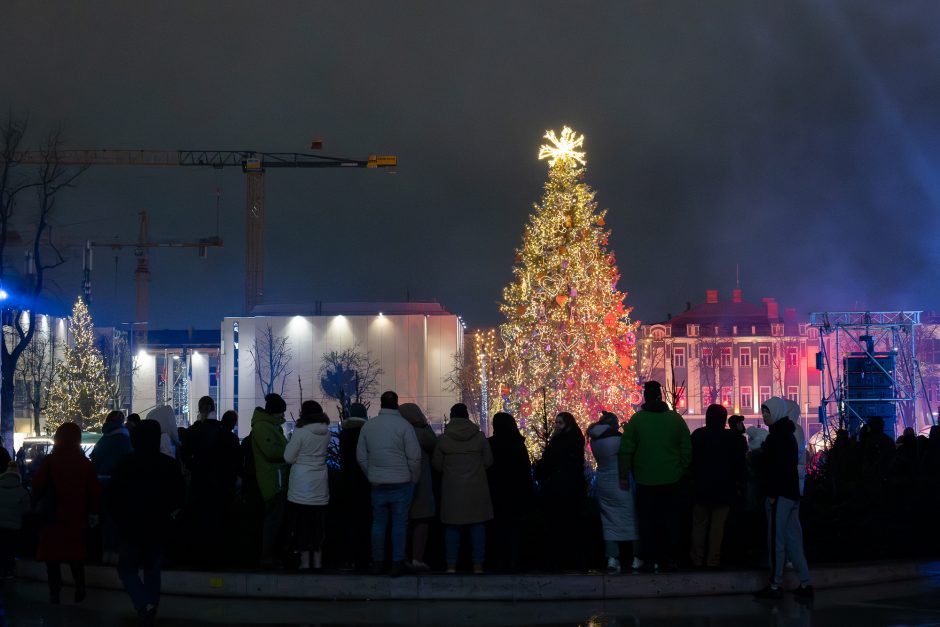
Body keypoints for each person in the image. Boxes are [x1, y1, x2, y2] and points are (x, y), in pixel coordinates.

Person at [109, 419, 185, 624]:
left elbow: (114, 496)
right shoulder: (168, 464)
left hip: (131, 526)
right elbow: (178, 495)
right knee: (152, 569)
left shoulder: (125, 464)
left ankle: (144, 604)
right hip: (159, 525)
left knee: (126, 568)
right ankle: (150, 605)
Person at [618, 380, 691, 572]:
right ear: (660, 396)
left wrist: (624, 474)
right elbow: (686, 448)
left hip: (645, 479)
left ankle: (648, 558)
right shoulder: (675, 419)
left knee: (647, 521)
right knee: (670, 520)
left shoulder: (637, 420)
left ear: (645, 397)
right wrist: (682, 469)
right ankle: (668, 557)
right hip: (672, 479)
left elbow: (626, 449)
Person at [32, 422, 101, 604]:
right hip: (77, 515)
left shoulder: (50, 461)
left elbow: (38, 485)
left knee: (52, 556)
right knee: (75, 554)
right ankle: (80, 585)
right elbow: (94, 491)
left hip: (53, 515)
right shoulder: (84, 463)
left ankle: (55, 591)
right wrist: (93, 512)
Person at [356, 390, 421, 576]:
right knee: (399, 524)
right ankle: (396, 563)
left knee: (378, 524)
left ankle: (377, 562)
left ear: (381, 404)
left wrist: (372, 474)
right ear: (397, 404)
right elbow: (415, 458)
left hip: (378, 483)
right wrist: (413, 478)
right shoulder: (404, 426)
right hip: (401, 482)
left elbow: (361, 457)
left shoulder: (369, 427)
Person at [754, 397, 813, 599]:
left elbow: (775, 468)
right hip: (792, 492)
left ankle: (775, 585)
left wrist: (771, 493)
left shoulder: (776, 437)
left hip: (779, 495)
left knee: (776, 540)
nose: (764, 416)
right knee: (794, 540)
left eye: (767, 413)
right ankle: (805, 583)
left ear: (777, 413)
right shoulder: (790, 434)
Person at [433, 403, 494, 574]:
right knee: (477, 526)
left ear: (451, 417)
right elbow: (489, 461)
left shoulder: (444, 439)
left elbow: (437, 465)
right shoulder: (480, 437)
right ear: (467, 416)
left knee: (452, 527)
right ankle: (478, 565)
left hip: (452, 491)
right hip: (476, 490)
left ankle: (451, 565)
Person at [182, 399, 241, 568]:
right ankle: (219, 558)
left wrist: (195, 467)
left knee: (200, 522)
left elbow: (185, 455)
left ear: (200, 409)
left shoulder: (193, 432)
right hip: (221, 485)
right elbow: (234, 461)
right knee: (219, 522)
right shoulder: (225, 434)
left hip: (200, 483)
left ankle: (199, 557)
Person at [689, 404, 746, 568]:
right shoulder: (733, 438)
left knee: (699, 525)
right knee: (717, 527)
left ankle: (696, 559)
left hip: (701, 488)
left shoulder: (698, 435)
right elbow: (739, 464)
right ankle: (713, 560)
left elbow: (691, 460)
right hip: (724, 489)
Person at [535, 411, 586, 571]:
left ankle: (558, 558)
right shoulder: (576, 439)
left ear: (568, 424)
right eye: (556, 423)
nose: (556, 426)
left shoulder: (560, 442)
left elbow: (549, 462)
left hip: (560, 487)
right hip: (572, 486)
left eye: (560, 423)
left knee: (559, 523)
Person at [283, 401, 330, 571]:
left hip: (301, 485)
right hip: (320, 484)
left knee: (302, 526)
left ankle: (304, 563)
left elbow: (288, 457)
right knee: (317, 527)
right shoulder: (326, 432)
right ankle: (317, 563)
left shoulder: (300, 432)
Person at [587, 412, 637, 574]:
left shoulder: (595, 440)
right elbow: (630, 450)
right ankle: (631, 557)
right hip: (620, 482)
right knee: (628, 519)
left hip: (603, 482)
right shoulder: (617, 440)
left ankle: (611, 557)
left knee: (608, 521)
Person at [486, 412, 533, 572]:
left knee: (498, 528)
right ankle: (514, 560)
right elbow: (525, 469)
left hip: (496, 492)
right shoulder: (518, 444)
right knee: (514, 528)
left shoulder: (491, 444)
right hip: (516, 492)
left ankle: (498, 561)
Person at [251, 393, 290, 568]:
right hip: (273, 481)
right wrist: (289, 451)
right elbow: (272, 452)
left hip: (276, 479)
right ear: (273, 412)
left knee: (275, 522)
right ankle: (267, 557)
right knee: (273, 522)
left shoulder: (269, 426)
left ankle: (270, 556)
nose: (283, 416)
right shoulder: (264, 428)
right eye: (281, 412)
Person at [398, 402, 438, 571]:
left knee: (402, 522)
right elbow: (434, 444)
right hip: (421, 481)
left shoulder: (398, 432)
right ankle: (417, 558)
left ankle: (401, 557)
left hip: (400, 481)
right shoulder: (421, 433)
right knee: (421, 520)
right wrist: (425, 425)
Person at [91, 410, 134, 565]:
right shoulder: (124, 440)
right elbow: (128, 462)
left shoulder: (104, 439)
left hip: (100, 483)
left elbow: (94, 458)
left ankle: (105, 552)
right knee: (116, 520)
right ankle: (115, 553)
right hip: (117, 485)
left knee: (104, 519)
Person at [338, 402, 371, 571]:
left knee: (349, 520)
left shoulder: (344, 434)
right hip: (364, 481)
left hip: (347, 481)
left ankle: (349, 557)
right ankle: (364, 558)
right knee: (364, 521)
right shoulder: (367, 433)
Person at [0, 460, 29, 580]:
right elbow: (27, 509)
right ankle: (8, 571)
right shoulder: (22, 491)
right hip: (14, 526)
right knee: (10, 549)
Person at [91, 411, 133, 482]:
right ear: (122, 421)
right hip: (114, 479)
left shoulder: (106, 437)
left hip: (99, 477)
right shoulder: (123, 438)